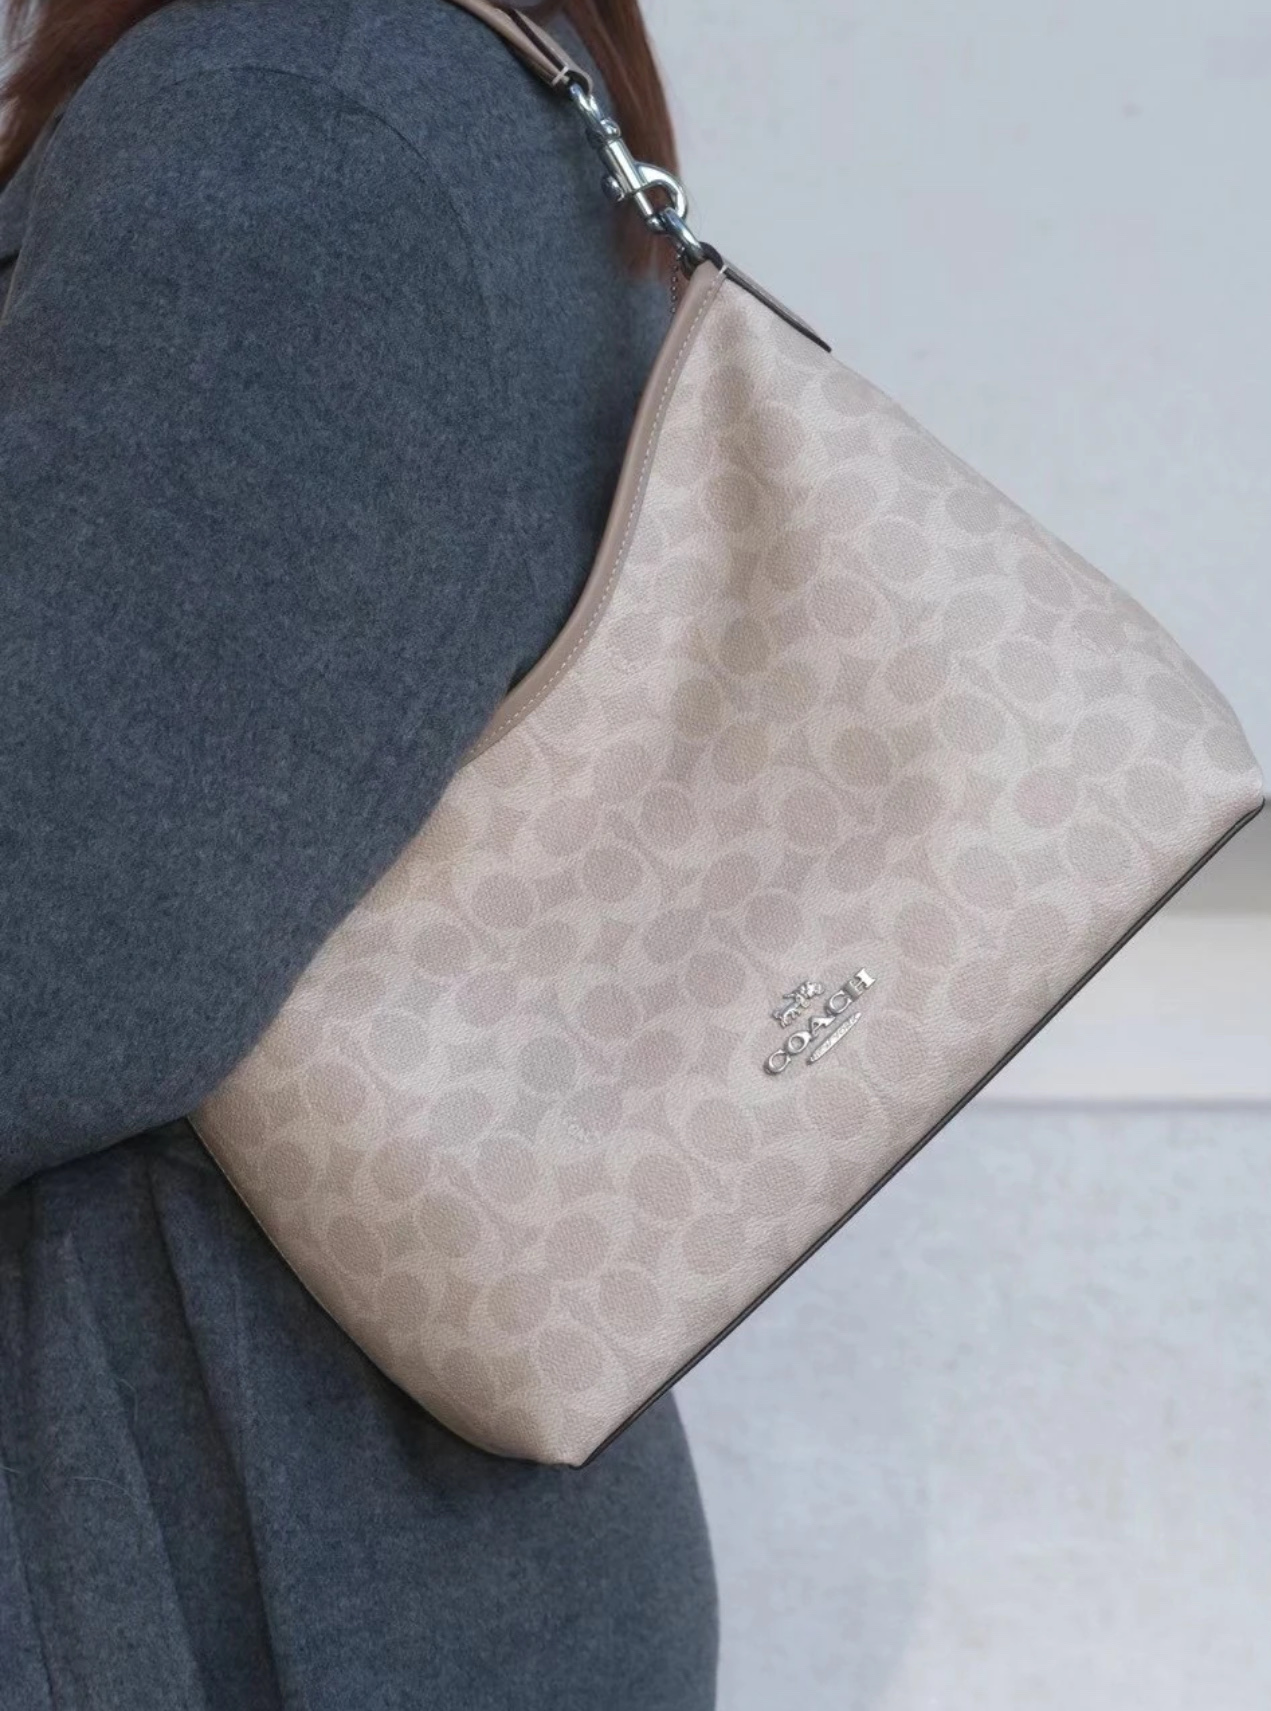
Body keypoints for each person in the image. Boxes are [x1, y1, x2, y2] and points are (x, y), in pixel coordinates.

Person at [0, 0, 719, 1702]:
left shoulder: (290, 118)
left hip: (215, 1542)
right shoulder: (352, 80)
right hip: (296, 1501)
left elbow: (51, 955)